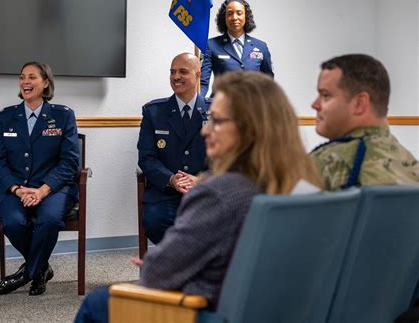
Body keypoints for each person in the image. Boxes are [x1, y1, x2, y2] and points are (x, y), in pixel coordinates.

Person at [74, 71, 322, 322]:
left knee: (97, 303)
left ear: (248, 128)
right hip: (281, 310)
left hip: (215, 310)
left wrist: (158, 263)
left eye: (216, 121)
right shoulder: (309, 188)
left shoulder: (220, 194)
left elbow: (157, 276)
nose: (205, 131)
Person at [0, 61, 79, 295]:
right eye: (22, 77)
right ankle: (40, 269)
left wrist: (42, 191)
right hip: (15, 189)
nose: (25, 82)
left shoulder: (63, 116)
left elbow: (69, 162)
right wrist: (18, 190)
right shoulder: (6, 118)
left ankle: (27, 273)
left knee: (49, 220)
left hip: (52, 189)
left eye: (32, 77)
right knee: (13, 222)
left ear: (45, 82)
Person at [310, 53, 418, 190]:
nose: (315, 104)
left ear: (359, 104)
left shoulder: (325, 163)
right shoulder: (410, 164)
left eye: (325, 95)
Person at [137, 52, 211, 244]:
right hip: (166, 193)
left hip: (206, 192)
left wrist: (201, 179)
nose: (175, 77)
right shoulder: (154, 112)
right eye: (172, 72)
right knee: (154, 222)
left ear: (197, 76)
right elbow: (147, 158)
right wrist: (171, 179)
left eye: (182, 72)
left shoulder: (218, 111)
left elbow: (229, 158)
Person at [200, 0, 274, 98]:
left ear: (246, 16)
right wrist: (197, 105)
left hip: (252, 107)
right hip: (223, 106)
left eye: (239, 13)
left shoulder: (261, 46)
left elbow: (268, 81)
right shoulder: (211, 45)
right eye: (230, 13)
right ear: (224, 18)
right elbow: (203, 83)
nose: (235, 17)